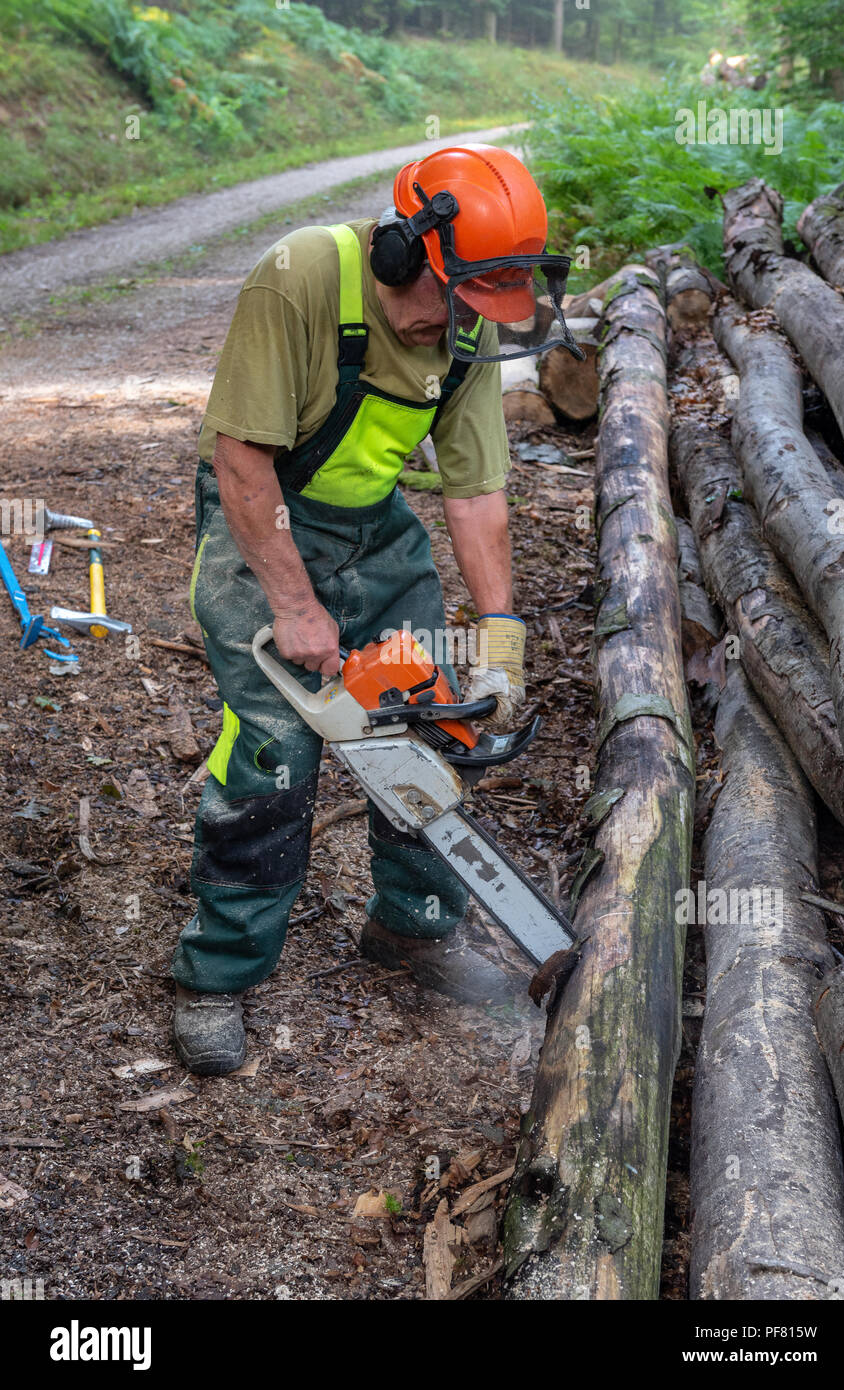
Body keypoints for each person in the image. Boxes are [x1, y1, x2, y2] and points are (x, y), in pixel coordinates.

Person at [171, 143, 579, 1075]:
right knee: (275, 748)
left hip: (375, 530)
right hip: (263, 518)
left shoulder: (472, 322)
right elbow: (241, 463)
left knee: (434, 717)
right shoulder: (304, 281)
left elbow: (475, 492)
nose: (471, 319)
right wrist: (295, 602)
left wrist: (500, 636)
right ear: (407, 253)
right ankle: (217, 972)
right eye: (463, 293)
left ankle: (414, 926)